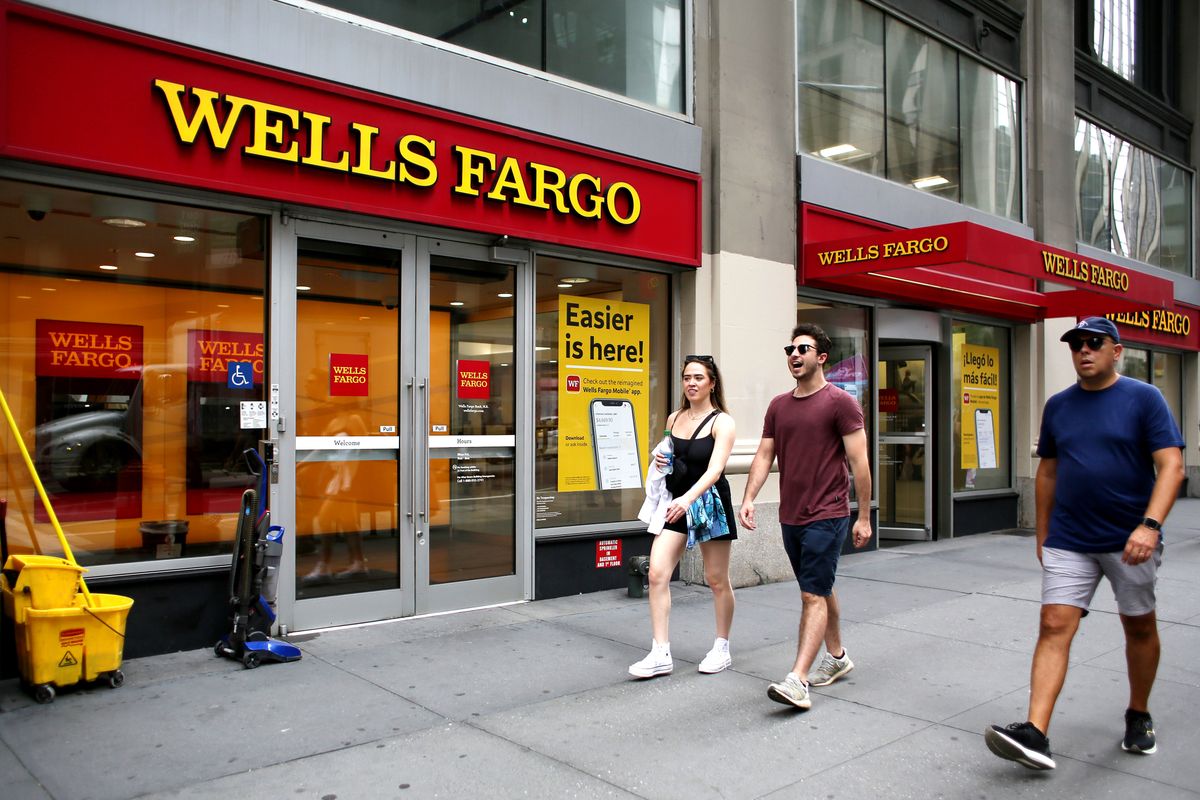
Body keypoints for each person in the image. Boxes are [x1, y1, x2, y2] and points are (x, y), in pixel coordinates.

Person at [985, 317, 1184, 770]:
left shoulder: (1144, 398)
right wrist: (1043, 533)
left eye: (1094, 343)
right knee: (1054, 624)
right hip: (1070, 539)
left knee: (1139, 627)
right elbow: (1049, 471)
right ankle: (1035, 733)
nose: (1084, 351)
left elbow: (1172, 466)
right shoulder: (1058, 405)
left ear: (1117, 350)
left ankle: (1138, 711)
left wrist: (1149, 526)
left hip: (1129, 541)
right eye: (1076, 344)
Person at [739, 323, 873, 710]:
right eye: (790, 349)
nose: (794, 355)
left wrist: (863, 516)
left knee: (812, 593)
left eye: (803, 349)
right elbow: (765, 455)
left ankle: (797, 680)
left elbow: (859, 462)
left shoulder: (840, 402)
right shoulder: (779, 406)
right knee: (821, 586)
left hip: (827, 513)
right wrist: (749, 497)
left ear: (821, 357)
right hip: (791, 515)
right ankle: (837, 657)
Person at [628, 355, 738, 678]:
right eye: (687, 377)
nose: (691, 383)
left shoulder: (723, 423)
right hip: (677, 502)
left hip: (709, 503)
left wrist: (689, 499)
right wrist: (662, 462)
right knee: (657, 573)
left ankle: (722, 647)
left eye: (698, 378)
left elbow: (716, 470)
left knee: (717, 580)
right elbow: (667, 455)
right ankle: (660, 651)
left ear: (712, 383)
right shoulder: (674, 418)